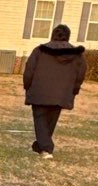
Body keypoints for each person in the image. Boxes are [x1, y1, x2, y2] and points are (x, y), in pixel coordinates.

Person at [22, 23, 87, 156]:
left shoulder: (39, 50)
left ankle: (46, 148)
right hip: (62, 93)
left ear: (53, 35)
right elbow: (81, 74)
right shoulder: (77, 55)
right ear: (68, 37)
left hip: (39, 91)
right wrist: (74, 90)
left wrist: (27, 86)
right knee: (50, 121)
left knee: (40, 120)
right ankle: (42, 147)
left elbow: (29, 70)